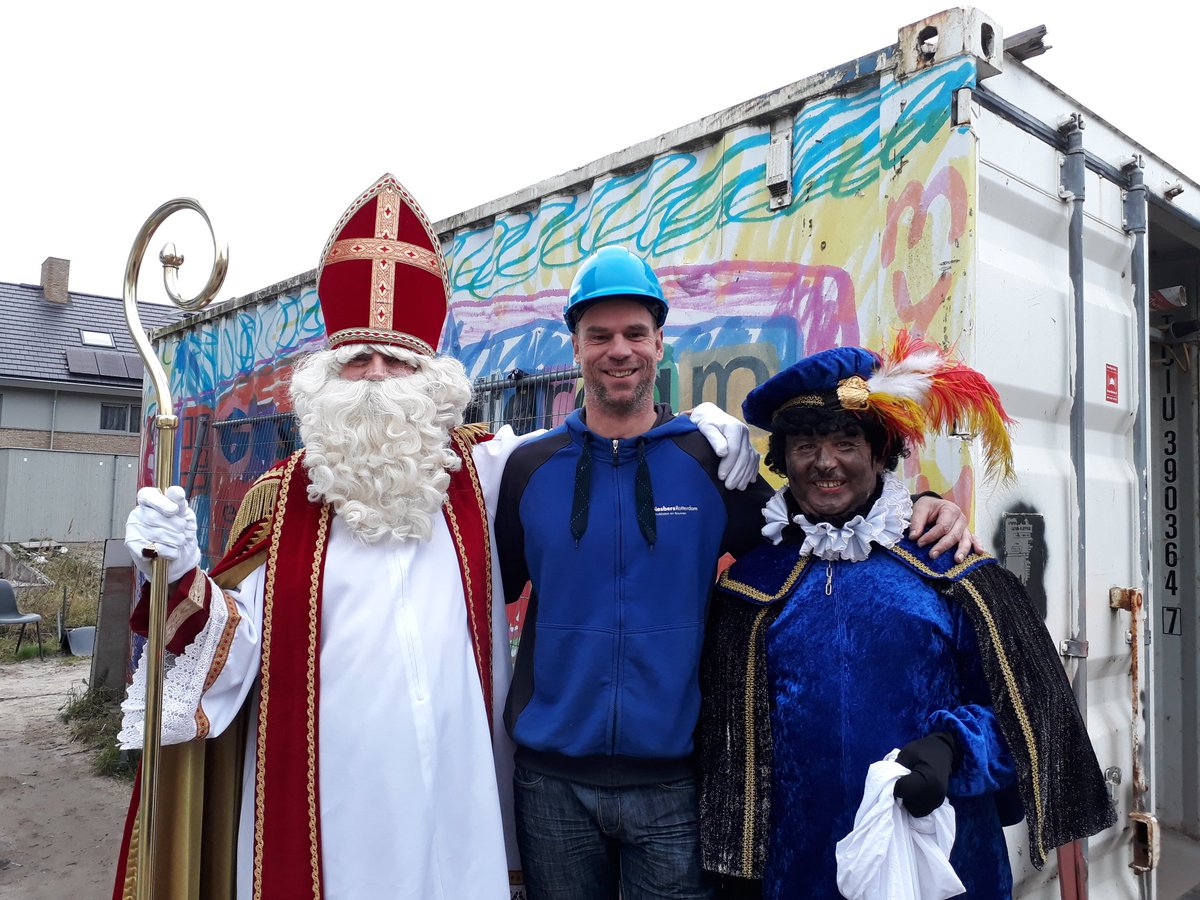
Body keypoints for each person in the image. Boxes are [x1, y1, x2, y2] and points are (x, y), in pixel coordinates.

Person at [110, 176, 759, 900]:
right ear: (328, 375)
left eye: (400, 362)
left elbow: (613, 441)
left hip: (462, 792)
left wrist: (711, 432)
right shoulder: (283, 500)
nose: (379, 379)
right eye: (359, 360)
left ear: (431, 379)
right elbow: (229, 646)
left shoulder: (477, 474)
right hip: (330, 797)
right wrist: (172, 566)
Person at [494, 252, 978, 900]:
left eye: (635, 333)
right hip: (550, 786)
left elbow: (815, 521)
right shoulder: (528, 469)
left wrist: (918, 503)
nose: (619, 351)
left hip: (672, 788)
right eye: (600, 335)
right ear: (574, 345)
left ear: (660, 343)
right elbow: (478, 590)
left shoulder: (705, 461)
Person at [697, 335, 1116, 899]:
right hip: (798, 875)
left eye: (847, 441)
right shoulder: (749, 586)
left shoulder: (952, 569)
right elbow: (724, 753)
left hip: (944, 865)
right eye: (805, 445)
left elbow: (1029, 719)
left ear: (879, 453)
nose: (825, 463)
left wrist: (953, 749)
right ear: (783, 460)